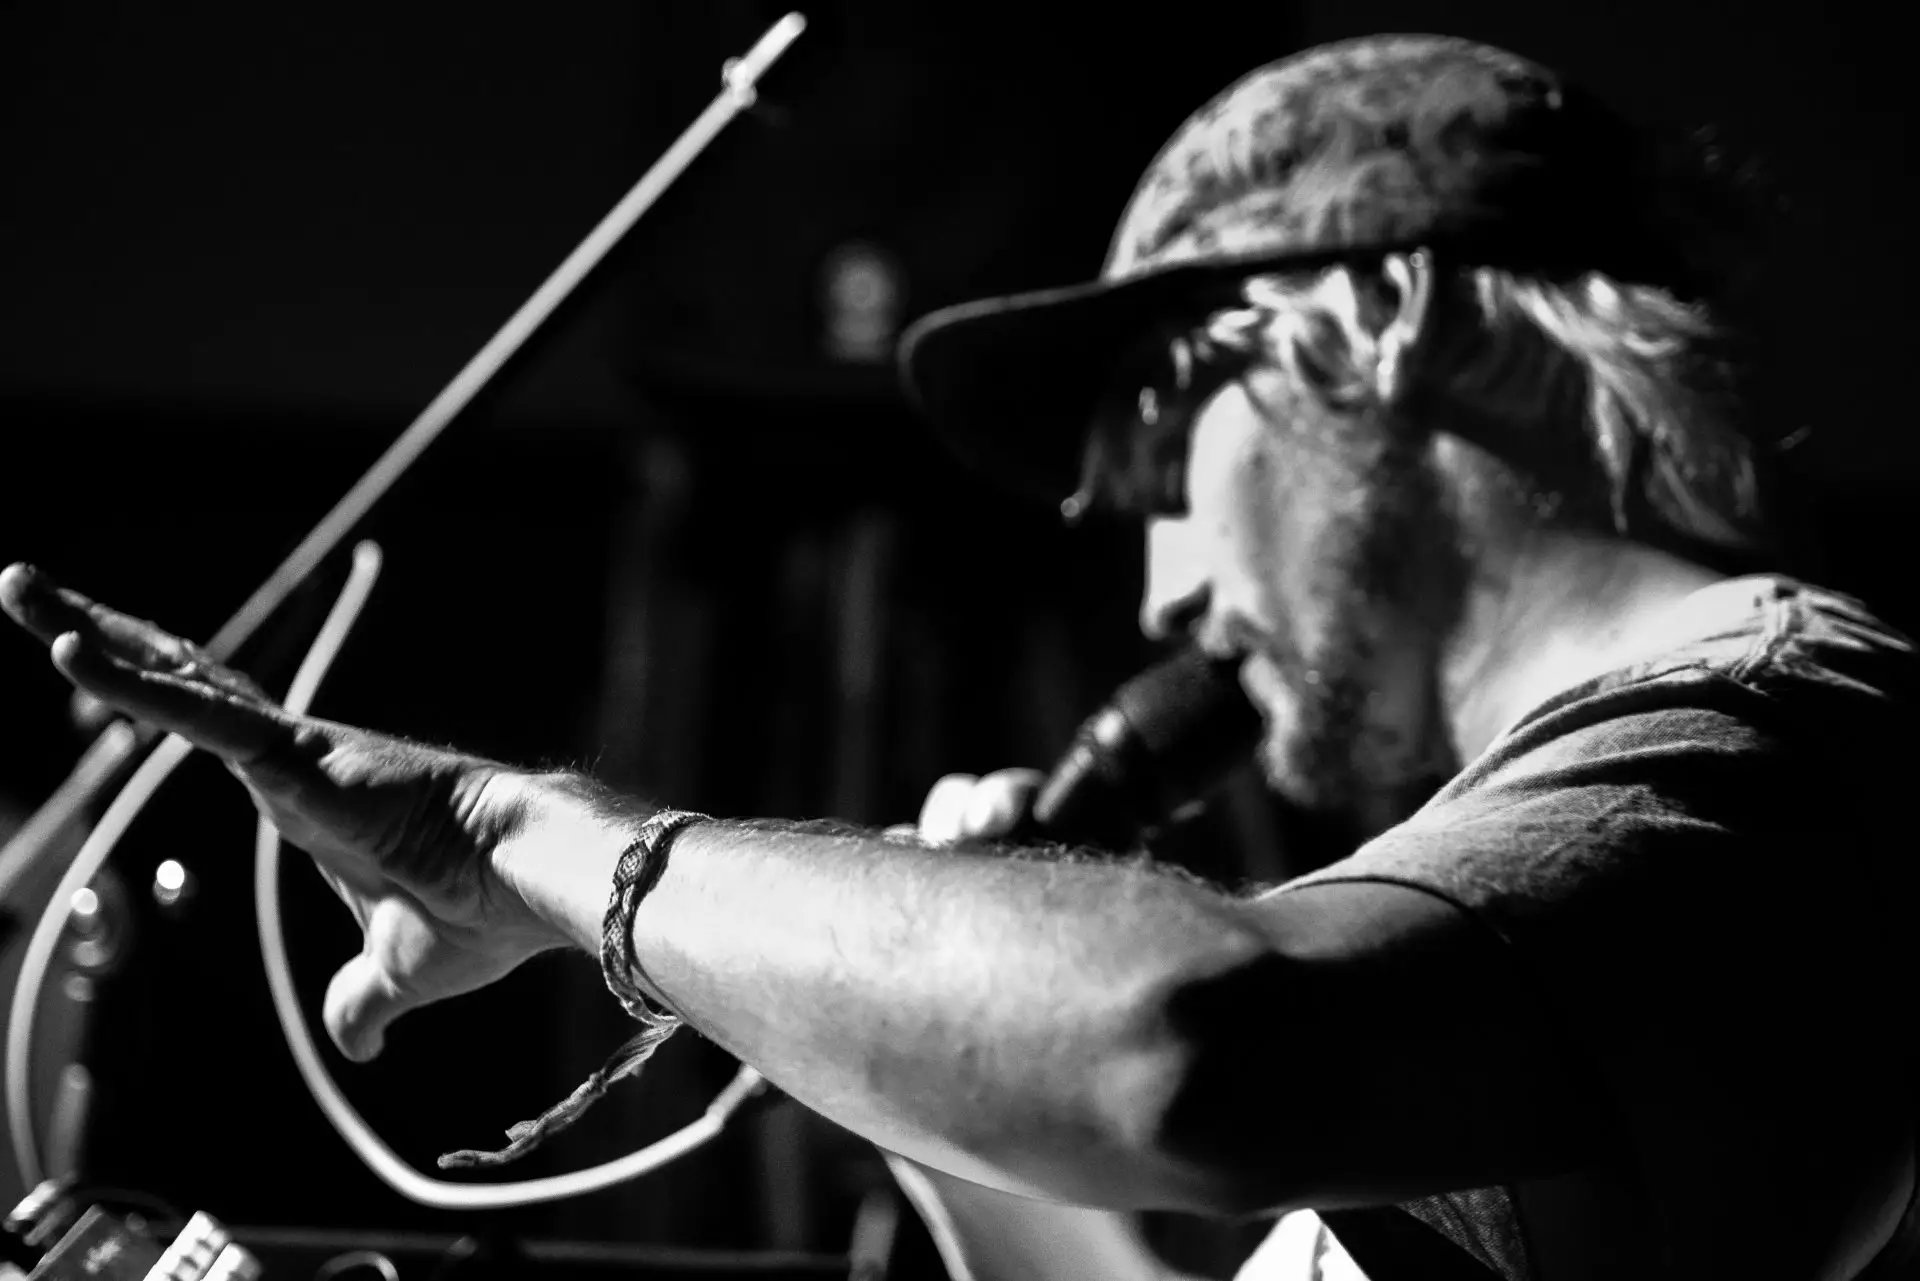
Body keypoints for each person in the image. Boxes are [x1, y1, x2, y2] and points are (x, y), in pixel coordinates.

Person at [4, 32, 1917, 1280]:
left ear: (1389, 310)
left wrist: (539, 843)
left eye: (1166, 446)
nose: (1162, 584)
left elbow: (1183, 1048)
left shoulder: (1758, 747)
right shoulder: (1559, 851)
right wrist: (946, 997)